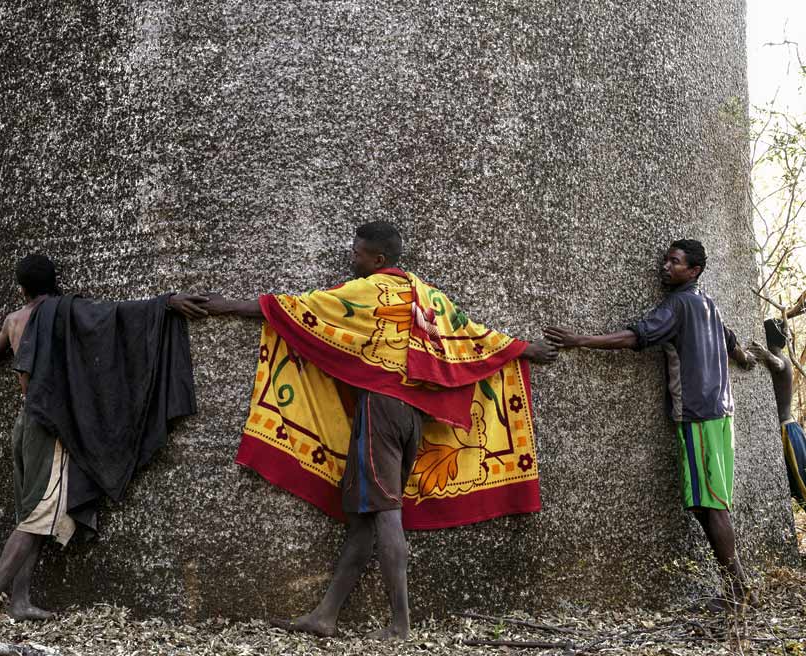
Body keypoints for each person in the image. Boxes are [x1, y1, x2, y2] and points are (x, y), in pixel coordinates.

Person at [205, 221, 557, 640]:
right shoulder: (429, 296)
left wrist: (223, 304)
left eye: (358, 253)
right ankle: (325, 616)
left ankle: (399, 626)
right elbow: (471, 335)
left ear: (379, 259)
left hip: (381, 410)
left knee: (388, 514)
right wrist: (522, 348)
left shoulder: (368, 290)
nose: (352, 258)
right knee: (363, 517)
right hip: (412, 417)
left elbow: (296, 308)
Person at [0, 254, 205, 620]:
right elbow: (117, 316)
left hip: (25, 421)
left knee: (32, 514)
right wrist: (164, 303)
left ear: (21, 288)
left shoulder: (14, 319)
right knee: (37, 515)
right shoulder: (66, 311)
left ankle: (20, 600)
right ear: (53, 282)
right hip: (51, 425)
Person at [544, 239, 757, 609]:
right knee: (705, 503)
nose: (665, 266)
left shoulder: (677, 305)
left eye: (674, 262)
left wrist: (581, 339)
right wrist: (746, 358)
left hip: (698, 415)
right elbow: (731, 340)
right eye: (665, 260)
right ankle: (737, 587)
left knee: (712, 504)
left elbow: (635, 336)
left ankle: (738, 590)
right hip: (721, 413)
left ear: (694, 271)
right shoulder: (710, 305)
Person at [748, 319, 806, 503]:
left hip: (788, 432)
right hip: (784, 430)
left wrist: (765, 354)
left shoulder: (781, 359)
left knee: (802, 482)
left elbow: (778, 364)